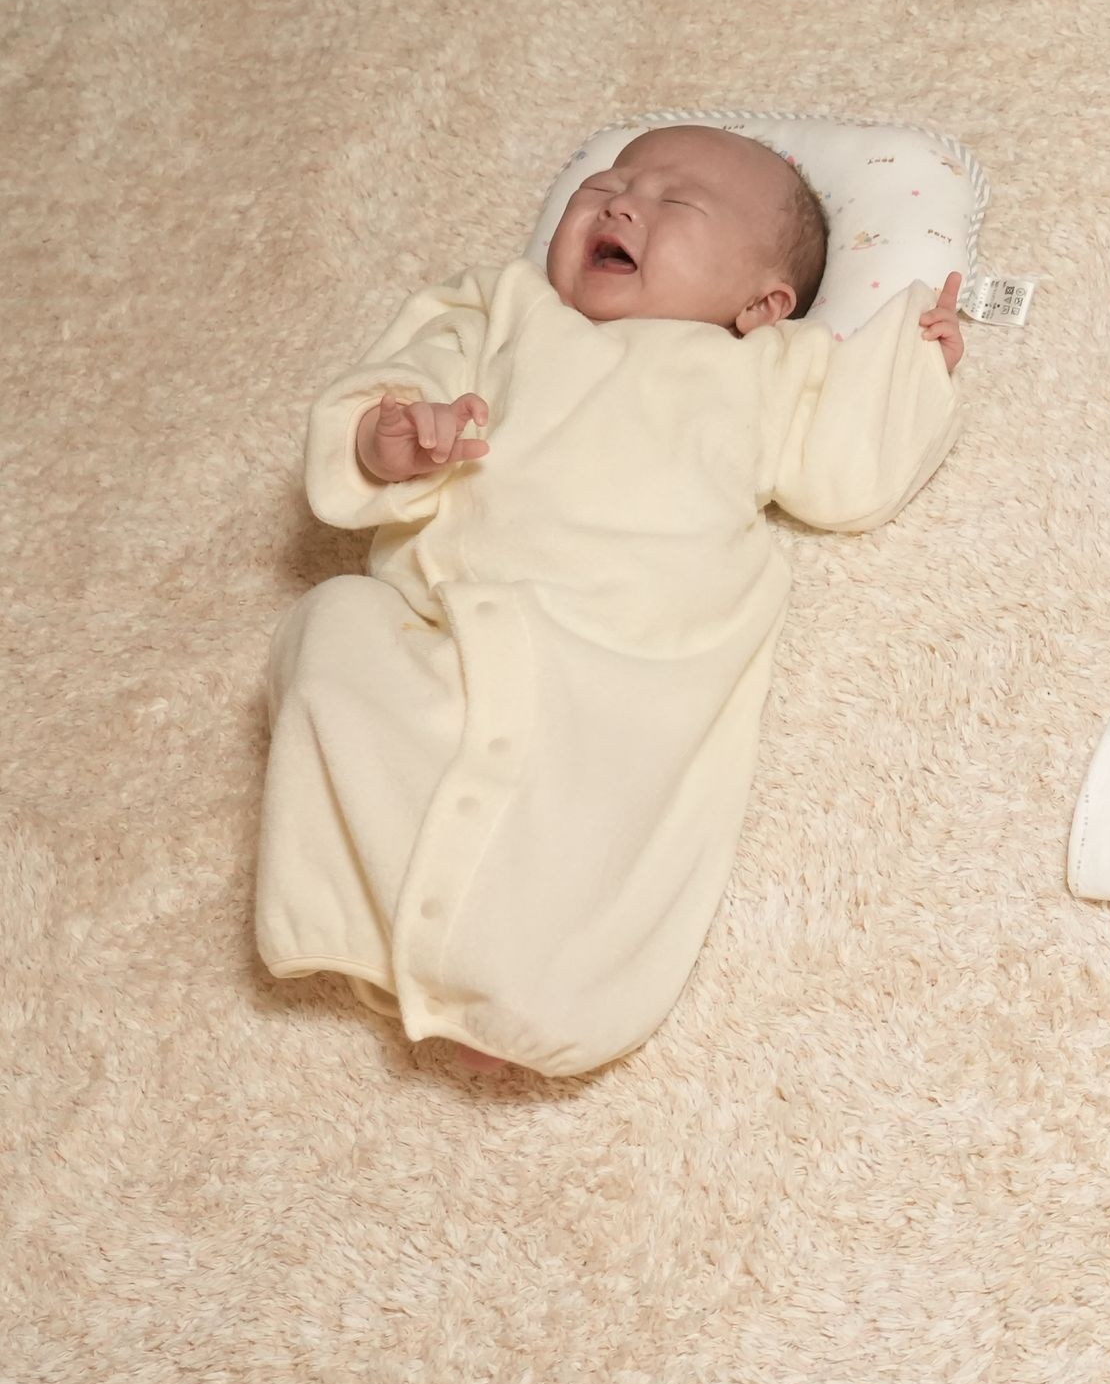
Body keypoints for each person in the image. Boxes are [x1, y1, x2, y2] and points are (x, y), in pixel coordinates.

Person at [255, 124, 965, 1075]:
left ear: (761, 304)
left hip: (626, 661)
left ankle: (523, 983)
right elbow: (399, 381)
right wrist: (390, 438)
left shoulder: (770, 367)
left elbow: (849, 475)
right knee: (333, 630)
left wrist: (916, 367)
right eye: (609, 184)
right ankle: (369, 917)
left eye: (676, 202)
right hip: (454, 627)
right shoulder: (501, 309)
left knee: (583, 826)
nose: (622, 202)